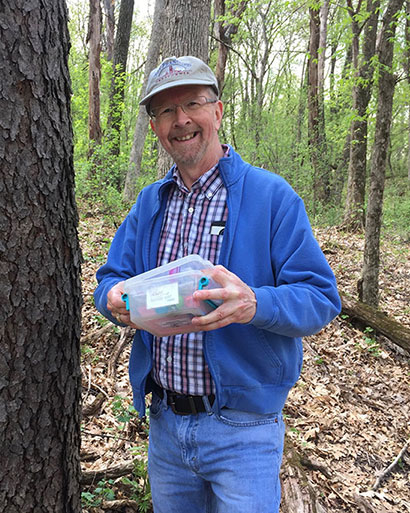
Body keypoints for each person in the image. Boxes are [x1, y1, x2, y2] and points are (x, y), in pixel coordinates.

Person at [94, 55, 341, 513]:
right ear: (154, 127)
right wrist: (111, 299)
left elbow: (321, 297)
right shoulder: (150, 204)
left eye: (192, 103)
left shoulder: (271, 197)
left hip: (244, 431)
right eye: (165, 111)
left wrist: (253, 303)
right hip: (166, 426)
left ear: (219, 111)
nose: (181, 120)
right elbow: (110, 279)